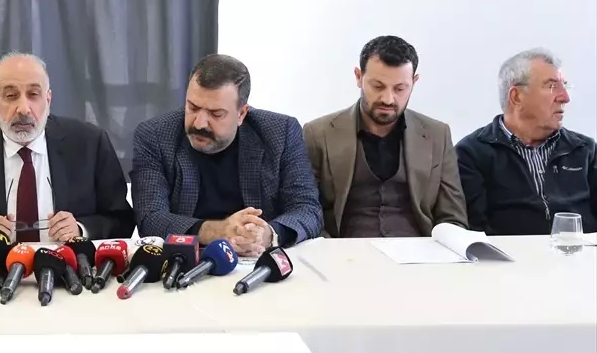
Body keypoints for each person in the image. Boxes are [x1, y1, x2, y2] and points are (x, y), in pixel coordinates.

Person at [131, 54, 321, 256]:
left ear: (241, 114)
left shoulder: (280, 132)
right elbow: (150, 218)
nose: (199, 123)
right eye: (192, 107)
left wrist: (267, 234)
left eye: (216, 114)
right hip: (187, 260)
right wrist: (217, 232)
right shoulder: (155, 135)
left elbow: (307, 209)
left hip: (258, 258)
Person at [0, 53, 134, 243]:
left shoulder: (89, 143)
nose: (24, 109)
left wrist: (81, 229)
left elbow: (121, 219)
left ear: (48, 101)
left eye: (33, 95)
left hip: (69, 263)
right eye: (11, 95)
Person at [303, 36, 467, 237]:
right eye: (378, 86)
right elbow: (304, 211)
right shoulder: (318, 134)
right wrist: (329, 249)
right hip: (344, 251)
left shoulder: (438, 135)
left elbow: (453, 218)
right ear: (358, 77)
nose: (388, 99)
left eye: (400, 89)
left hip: (418, 251)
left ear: (414, 82)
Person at [456, 48, 595, 234]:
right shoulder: (471, 153)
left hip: (580, 250)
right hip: (509, 252)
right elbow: (475, 231)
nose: (565, 97)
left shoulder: (584, 150)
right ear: (517, 96)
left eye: (565, 86)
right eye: (552, 86)